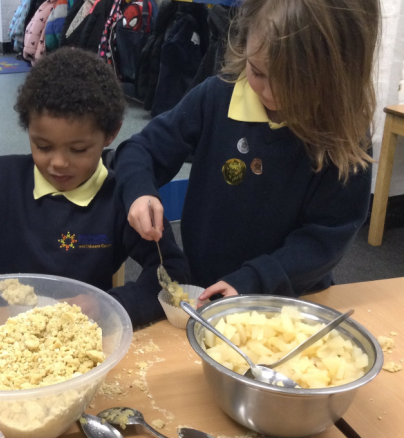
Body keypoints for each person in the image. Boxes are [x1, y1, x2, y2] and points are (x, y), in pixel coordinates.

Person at [114, 0, 379, 302]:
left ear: (340, 73)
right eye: (258, 72)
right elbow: (140, 149)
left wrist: (255, 279)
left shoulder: (344, 135)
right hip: (206, 286)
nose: (272, 94)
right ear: (245, 44)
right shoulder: (217, 97)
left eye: (296, 83)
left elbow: (326, 238)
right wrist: (139, 189)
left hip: (290, 298)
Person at [0, 48, 190, 327]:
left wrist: (107, 305)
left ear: (111, 133)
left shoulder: (120, 195)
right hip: (0, 328)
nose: (58, 163)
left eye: (78, 149)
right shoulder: (2, 177)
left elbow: (174, 273)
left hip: (81, 332)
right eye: (43, 146)